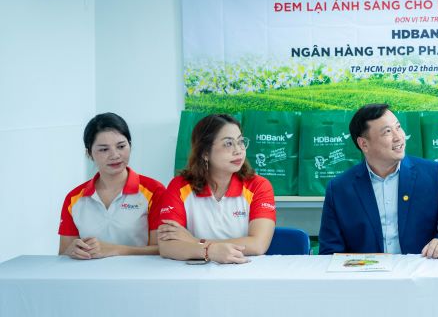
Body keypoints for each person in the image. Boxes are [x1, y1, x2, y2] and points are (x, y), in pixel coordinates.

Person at [319, 103, 438, 258]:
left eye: (398, 127)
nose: (398, 137)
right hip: (365, 277)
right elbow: (330, 251)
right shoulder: (340, 188)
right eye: (387, 132)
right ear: (364, 144)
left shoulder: (433, 174)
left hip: (418, 273)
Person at [157, 113, 276, 264]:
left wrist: (195, 242)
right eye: (228, 144)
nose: (238, 150)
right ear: (205, 153)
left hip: (244, 271)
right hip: (193, 274)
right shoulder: (179, 186)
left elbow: (258, 245)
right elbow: (167, 246)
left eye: (240, 142)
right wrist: (210, 251)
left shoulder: (258, 186)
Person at [59, 113, 168, 259]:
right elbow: (63, 254)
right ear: (89, 154)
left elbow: (163, 249)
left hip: (139, 277)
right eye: (104, 149)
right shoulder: (74, 198)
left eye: (121, 146)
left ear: (130, 145)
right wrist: (71, 251)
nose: (115, 155)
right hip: (89, 278)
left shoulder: (155, 191)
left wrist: (115, 250)